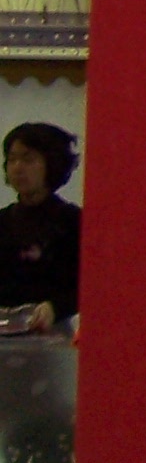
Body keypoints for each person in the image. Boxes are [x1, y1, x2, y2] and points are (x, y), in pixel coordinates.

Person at [0, 121, 81, 332]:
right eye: (12, 159)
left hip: (54, 332)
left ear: (52, 164)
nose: (18, 168)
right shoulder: (3, 221)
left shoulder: (74, 222)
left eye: (28, 160)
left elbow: (90, 286)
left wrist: (57, 307)